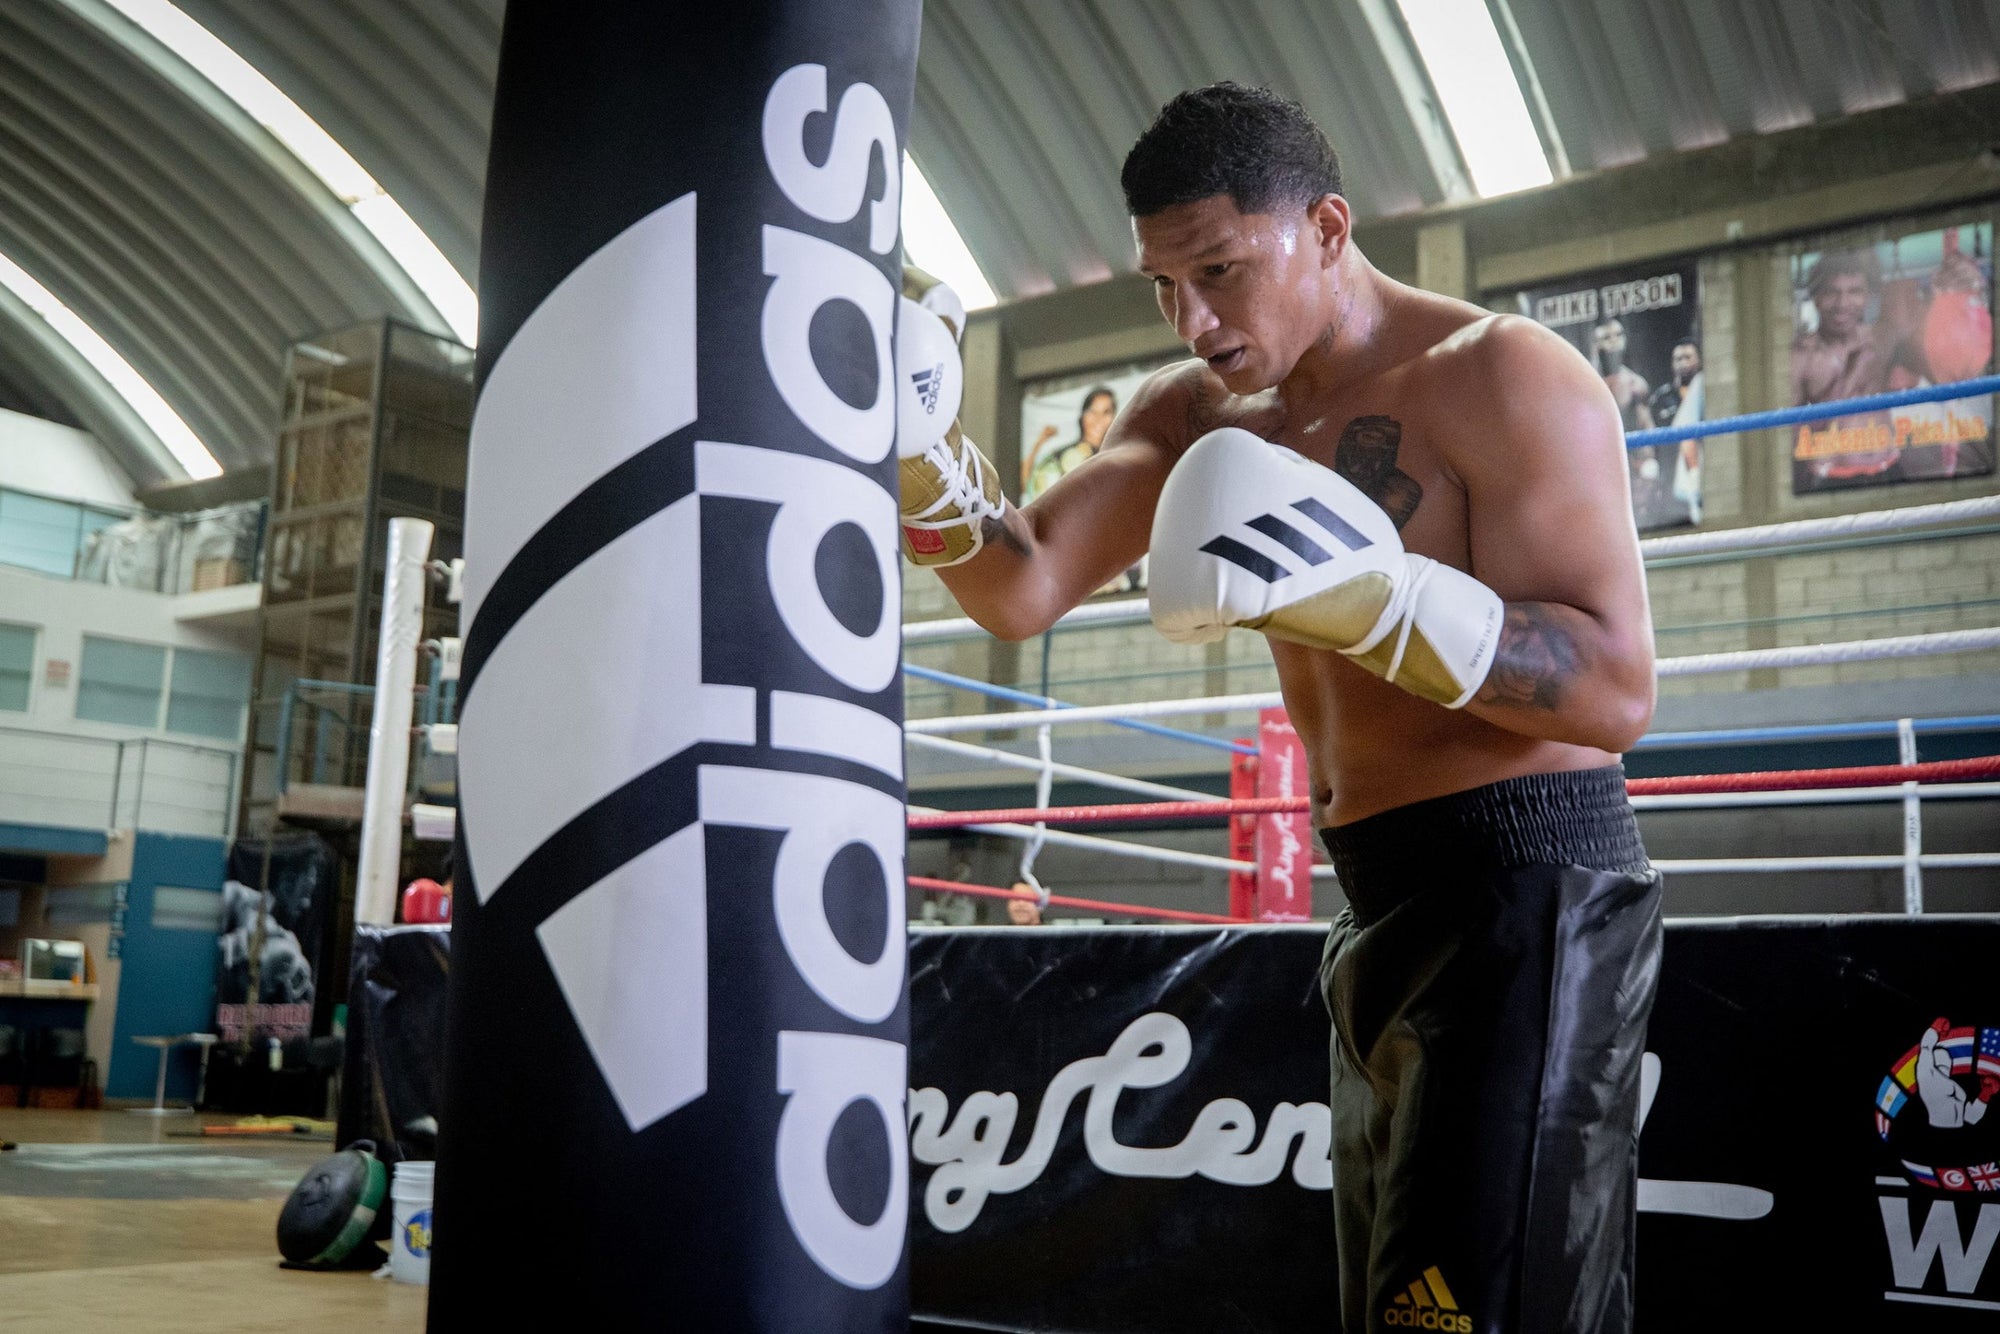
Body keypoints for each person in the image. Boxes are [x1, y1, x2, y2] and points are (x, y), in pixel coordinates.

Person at [899, 82, 1659, 1333]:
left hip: (1532, 893)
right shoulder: (1194, 412)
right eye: (1160, 284)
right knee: (1390, 1311)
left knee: (1471, 1314)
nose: (1190, 319)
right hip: (1368, 901)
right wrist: (919, 459)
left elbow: (1615, 687)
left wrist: (1375, 596)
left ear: (1323, 224)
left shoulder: (1500, 375)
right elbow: (1020, 583)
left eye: (1219, 270)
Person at [1024, 386, 1118, 498]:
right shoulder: (1061, 457)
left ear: (1115, 417)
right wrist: (1040, 442)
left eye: (1106, 412)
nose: (1099, 418)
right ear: (1082, 416)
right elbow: (1027, 483)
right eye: (1092, 411)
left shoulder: (1118, 459)